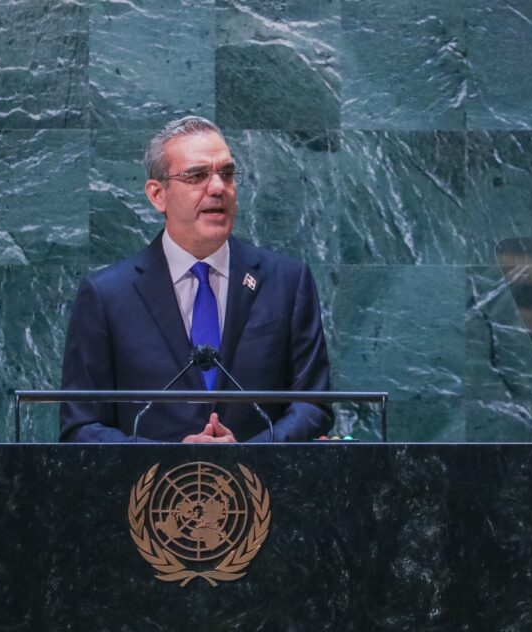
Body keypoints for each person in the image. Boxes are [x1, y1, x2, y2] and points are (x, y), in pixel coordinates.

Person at [59, 116, 332, 443]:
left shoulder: (287, 283)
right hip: (151, 478)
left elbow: (313, 404)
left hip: (261, 475)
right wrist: (175, 460)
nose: (218, 188)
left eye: (227, 174)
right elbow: (81, 426)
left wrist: (249, 454)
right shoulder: (107, 295)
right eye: (197, 176)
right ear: (157, 195)